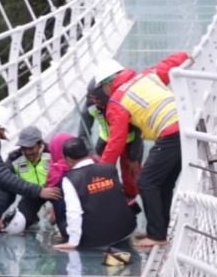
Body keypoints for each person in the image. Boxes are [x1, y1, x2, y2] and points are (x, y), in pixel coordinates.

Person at [92, 53, 189, 249]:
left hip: (171, 133)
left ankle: (156, 236)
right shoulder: (148, 75)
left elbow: (117, 140)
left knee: (146, 182)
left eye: (103, 88)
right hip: (188, 126)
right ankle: (158, 231)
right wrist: (186, 56)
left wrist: (103, 169)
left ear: (108, 84)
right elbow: (171, 63)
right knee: (164, 183)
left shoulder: (117, 101)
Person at [53, 138, 136, 249]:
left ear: (68, 159)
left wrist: (72, 242)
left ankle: (68, 235)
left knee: (57, 198)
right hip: (125, 230)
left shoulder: (70, 179)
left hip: (94, 239)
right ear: (88, 153)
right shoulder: (109, 168)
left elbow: (74, 212)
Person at [79, 78, 143, 199]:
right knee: (101, 175)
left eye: (98, 98)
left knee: (132, 177)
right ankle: (113, 198)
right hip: (106, 141)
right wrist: (92, 154)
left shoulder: (122, 100)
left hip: (131, 141)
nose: (95, 101)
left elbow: (138, 128)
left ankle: (131, 197)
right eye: (92, 98)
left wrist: (134, 157)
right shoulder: (90, 104)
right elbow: (82, 133)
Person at [3, 126, 52, 231]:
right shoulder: (14, 158)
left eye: (31, 148)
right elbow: (5, 181)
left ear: (40, 144)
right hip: (31, 194)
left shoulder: (52, 152)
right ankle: (32, 220)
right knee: (20, 223)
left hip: (54, 191)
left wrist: (57, 209)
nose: (28, 152)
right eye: (24, 148)